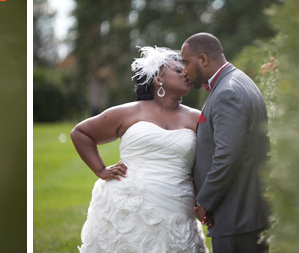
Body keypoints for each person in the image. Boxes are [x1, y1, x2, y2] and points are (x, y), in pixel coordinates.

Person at [71, 46, 207, 252]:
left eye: (185, 70)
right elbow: (81, 133)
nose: (186, 74)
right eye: (178, 71)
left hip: (177, 205)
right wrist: (101, 170)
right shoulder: (127, 113)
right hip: (129, 205)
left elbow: (201, 165)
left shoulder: (196, 118)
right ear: (157, 79)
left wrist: (202, 201)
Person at [181, 33, 271, 253]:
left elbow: (228, 155)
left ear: (203, 59)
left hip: (236, 216)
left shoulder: (227, 92)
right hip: (246, 214)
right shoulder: (238, 81)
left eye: (186, 62)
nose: (184, 70)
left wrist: (205, 202)